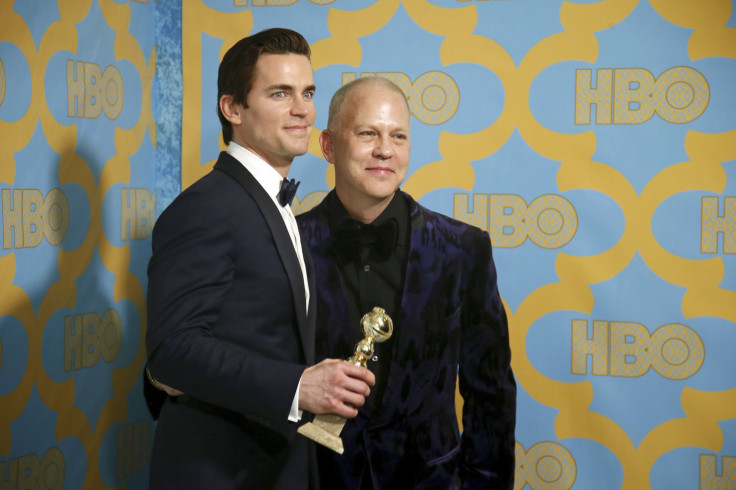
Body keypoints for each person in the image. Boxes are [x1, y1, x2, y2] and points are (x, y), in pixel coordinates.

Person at [144, 28, 374, 490]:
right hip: (220, 472)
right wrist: (296, 386)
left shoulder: (270, 202)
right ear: (232, 109)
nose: (303, 109)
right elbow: (171, 352)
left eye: (307, 93)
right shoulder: (207, 207)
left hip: (275, 466)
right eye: (280, 93)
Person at [296, 76, 517, 489]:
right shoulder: (285, 245)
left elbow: (491, 394)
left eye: (398, 136)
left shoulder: (463, 249)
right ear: (327, 145)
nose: (385, 149)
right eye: (367, 133)